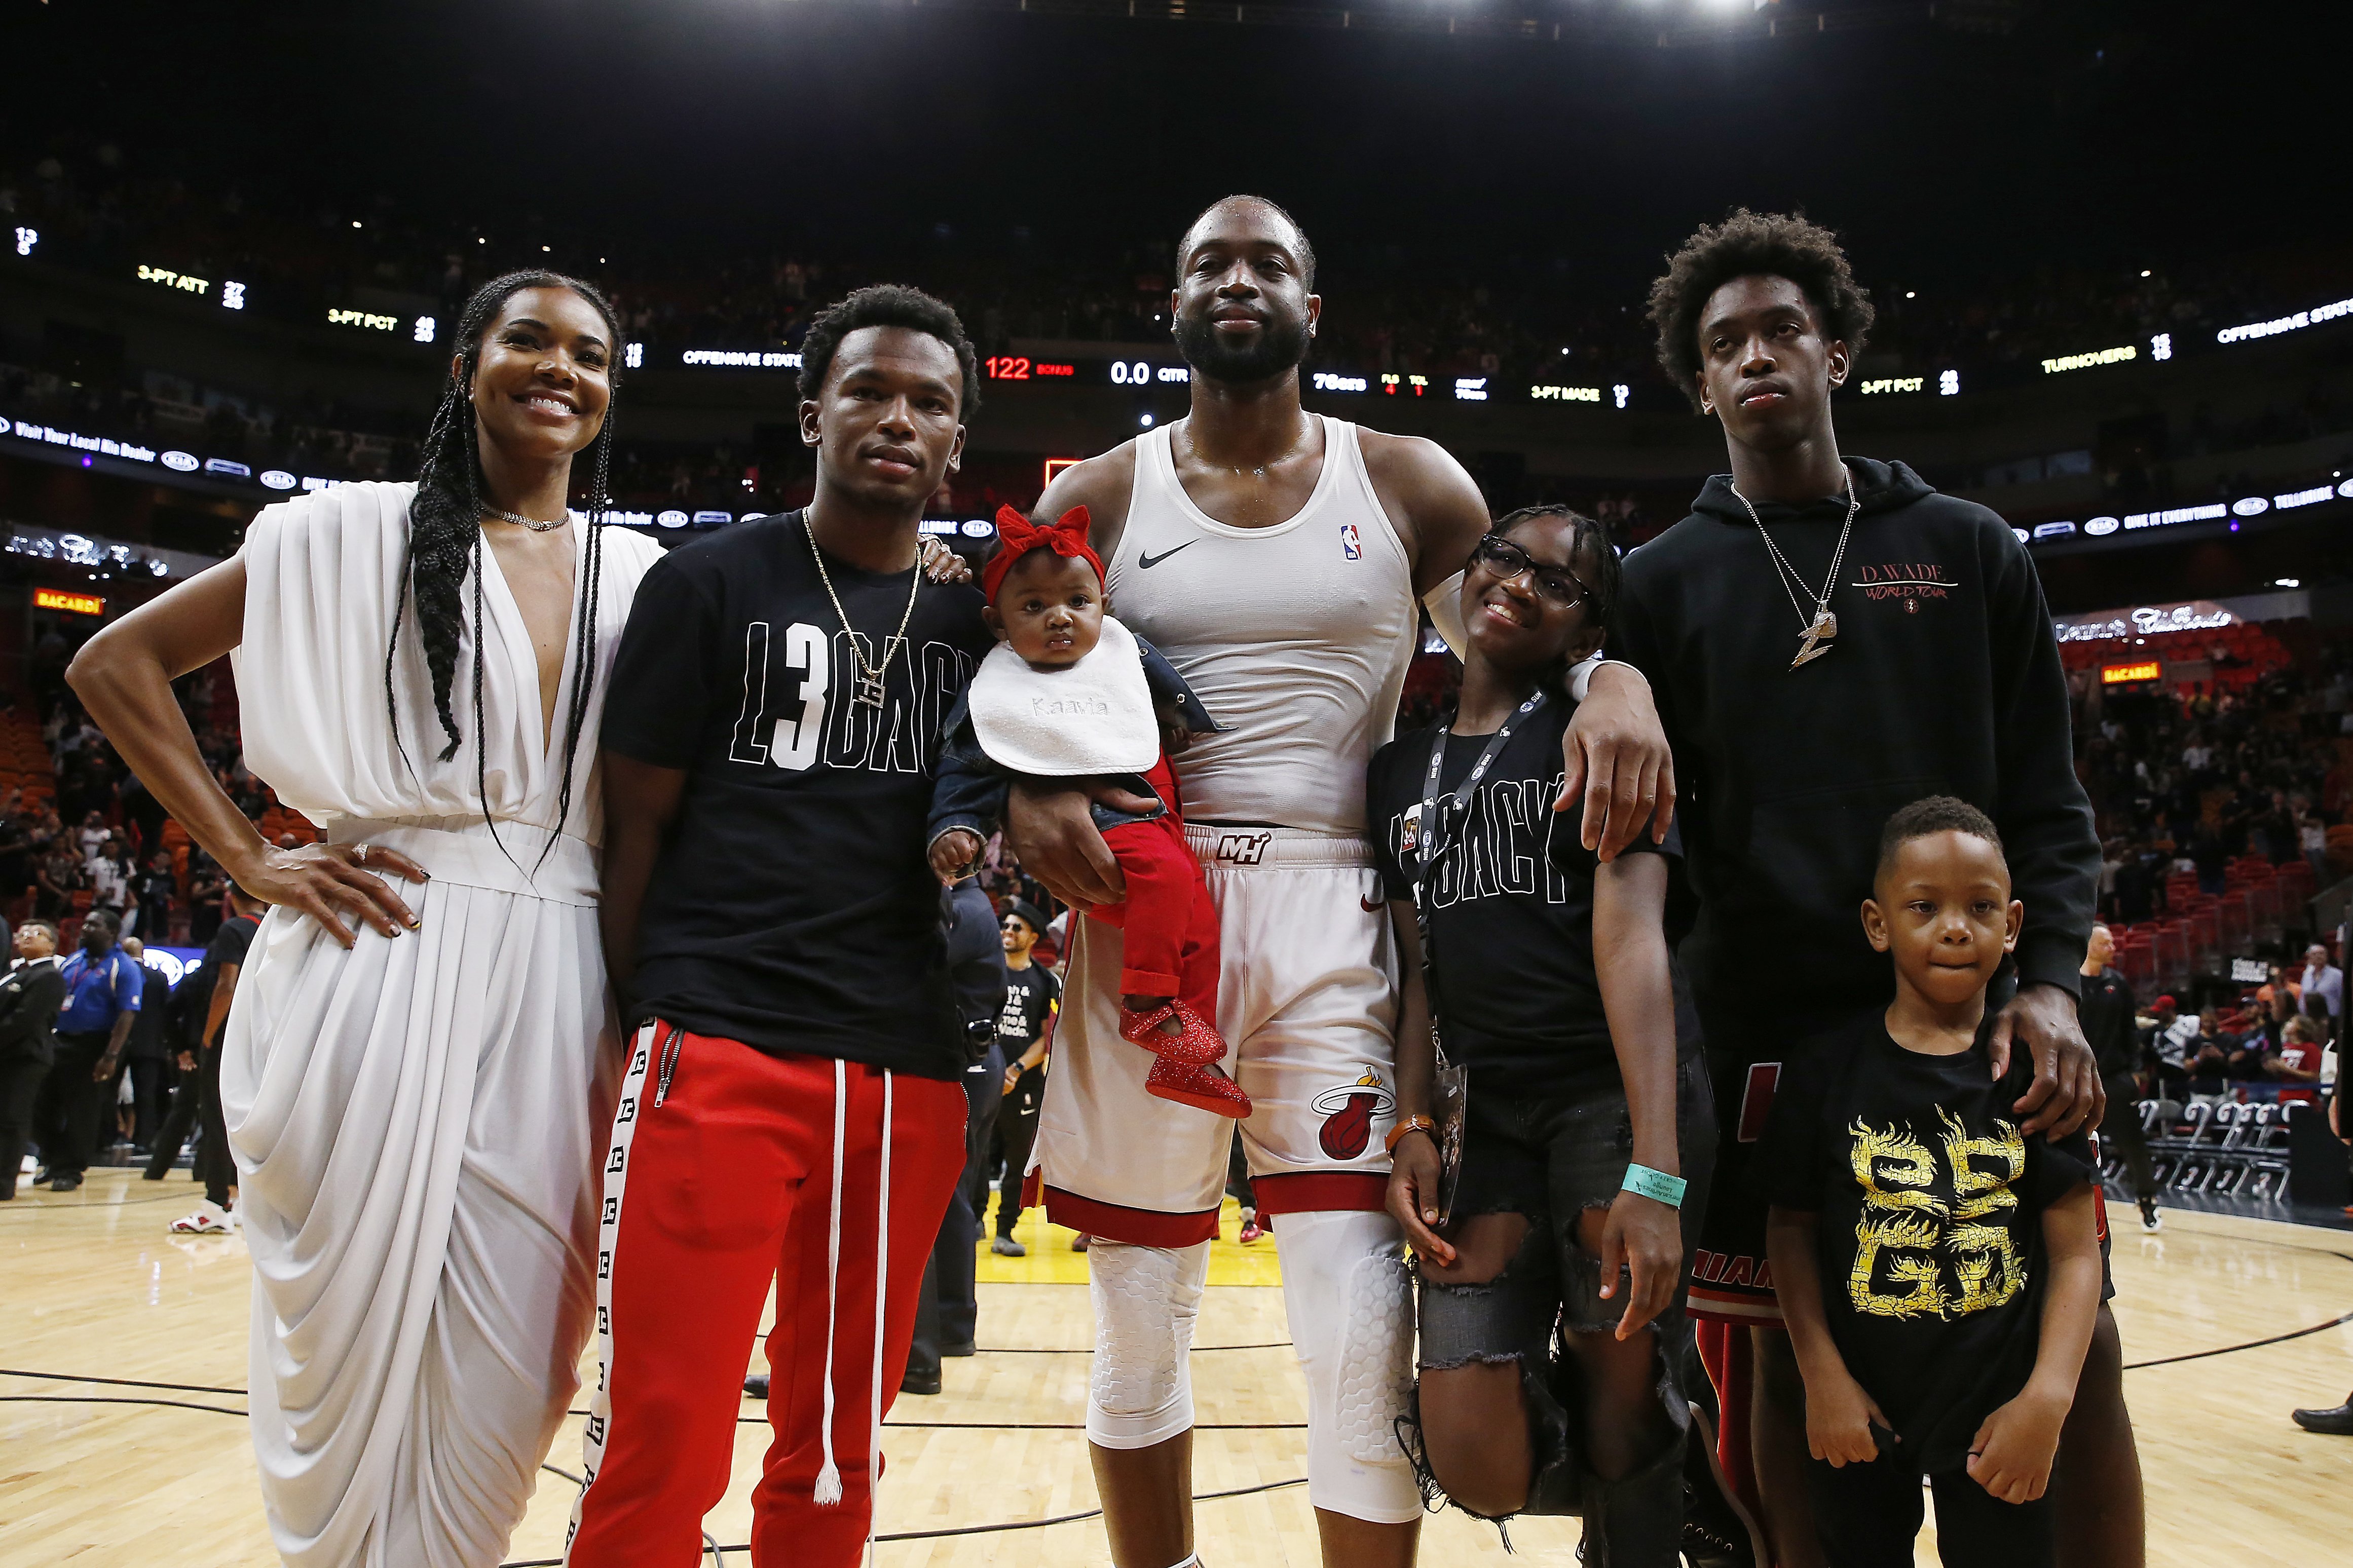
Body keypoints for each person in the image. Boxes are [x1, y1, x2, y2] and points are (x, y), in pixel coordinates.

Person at [66, 268, 662, 1568]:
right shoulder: (342, 533)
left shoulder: (645, 573)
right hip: (378, 946)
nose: (561, 367)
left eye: (590, 353)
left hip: (565, 972)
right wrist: (246, 857)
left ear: (611, 393)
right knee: (347, 1347)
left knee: (526, 1364)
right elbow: (112, 664)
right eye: (528, 340)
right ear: (465, 366)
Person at [1007, 195, 1552, 1568]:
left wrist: (1613, 691)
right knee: (1139, 1318)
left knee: (1355, 1325)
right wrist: (1027, 789)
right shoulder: (1099, 495)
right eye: (1209, 261)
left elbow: (1514, 673)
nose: (1237, 279)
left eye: (1268, 263)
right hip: (1147, 914)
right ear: (1172, 300)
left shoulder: (1414, 483)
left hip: (1333, 904)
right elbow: (1009, 697)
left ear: (1314, 306)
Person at [1608, 211, 2124, 1567]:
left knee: (2066, 1347)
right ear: (1699, 382)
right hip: (1765, 1045)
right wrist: (1595, 670)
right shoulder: (1655, 586)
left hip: (1970, 1025)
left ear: (1836, 350)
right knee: (1789, 1372)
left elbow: (2048, 803)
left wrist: (2055, 980)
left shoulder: (1964, 546)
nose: (1756, 355)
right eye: (1725, 343)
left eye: (1782, 328)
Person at [570, 284, 993, 1568]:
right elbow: (629, 829)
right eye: (870, 390)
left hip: (904, 1070)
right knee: (664, 1427)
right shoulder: (706, 581)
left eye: (930, 402)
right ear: (813, 413)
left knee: (832, 1453)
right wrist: (643, 1018)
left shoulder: (985, 625)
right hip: (718, 1042)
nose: (898, 419)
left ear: (956, 445)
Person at [1375, 506, 1719, 1563]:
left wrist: (1654, 1175)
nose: (1519, 582)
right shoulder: (1396, 768)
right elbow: (1417, 969)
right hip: (1484, 1110)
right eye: (1505, 556)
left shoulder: (1599, 738)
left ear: (1583, 631)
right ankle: (1680, 1444)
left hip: (1607, 1096)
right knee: (1471, 1447)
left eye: (1556, 581)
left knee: (1620, 1397)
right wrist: (1413, 1120)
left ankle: (1652, 1514)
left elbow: (1634, 947)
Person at [1766, 798, 2103, 1567]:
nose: (1955, 926)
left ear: (2012, 924)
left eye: (1980, 907)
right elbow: (1788, 1229)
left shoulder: (2035, 1075)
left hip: (1998, 1415)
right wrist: (1821, 1376)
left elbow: (2077, 1251)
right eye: (1924, 907)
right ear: (1876, 923)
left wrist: (2045, 1401)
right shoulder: (1824, 1067)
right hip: (1859, 1409)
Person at [928, 503, 1239, 1113]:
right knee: (1168, 878)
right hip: (1110, 829)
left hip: (1158, 817)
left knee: (1199, 925)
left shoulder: (1122, 654)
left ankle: (1187, 1051)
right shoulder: (998, 687)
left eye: (1077, 600)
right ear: (996, 623)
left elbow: (1162, 679)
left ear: (1105, 606)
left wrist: (1182, 721)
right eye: (1033, 607)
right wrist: (957, 824)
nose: (1060, 618)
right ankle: (1148, 1008)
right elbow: (966, 763)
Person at [166, 886, 265, 1234]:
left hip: (230, 1034)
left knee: (216, 1116)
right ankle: (243, 1201)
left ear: (231, 897)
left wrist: (208, 1036)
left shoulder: (234, 928)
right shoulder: (275, 927)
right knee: (249, 1121)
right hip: (266, 1035)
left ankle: (215, 1205)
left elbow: (227, 984)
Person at [27, 908, 141, 1192]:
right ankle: (53, 1160)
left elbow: (127, 1014)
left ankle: (71, 1169)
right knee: (40, 1105)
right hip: (60, 1040)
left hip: (96, 1044)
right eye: (86, 923)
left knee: (82, 1111)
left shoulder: (123, 966)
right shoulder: (72, 961)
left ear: (112, 933)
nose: (86, 928)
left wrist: (111, 1056)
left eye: (94, 925)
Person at [987, 898, 1060, 1255]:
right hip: (982, 1076)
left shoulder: (1045, 980)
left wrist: (1014, 1070)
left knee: (1018, 1161)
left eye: (1016, 927)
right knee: (972, 1155)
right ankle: (969, 1222)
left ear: (1032, 936)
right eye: (1005, 926)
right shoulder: (985, 971)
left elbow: (1047, 1037)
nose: (1007, 932)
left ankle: (1005, 1230)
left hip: (1023, 1082)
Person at [2079, 926, 2158, 1232]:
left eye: (2113, 942)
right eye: (2105, 942)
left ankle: (2148, 1203)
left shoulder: (2118, 983)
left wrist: (2136, 1073)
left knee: (2134, 1145)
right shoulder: (2069, 984)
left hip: (2114, 1078)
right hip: (2078, 1080)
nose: (2112, 947)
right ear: (2088, 945)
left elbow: (2130, 1032)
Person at [0, 920, 66, 1200]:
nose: (27, 936)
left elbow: (24, 1020)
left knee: (12, 1120)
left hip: (26, 1057)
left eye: (37, 933)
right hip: (8, 1055)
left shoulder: (48, 976)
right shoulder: (13, 973)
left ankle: (4, 1183)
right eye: (23, 932)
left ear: (51, 945)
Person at [115, 936, 174, 1154]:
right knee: (146, 1094)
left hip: (119, 1042)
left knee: (109, 1092)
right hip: (150, 1044)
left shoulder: (120, 973)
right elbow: (167, 1011)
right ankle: (144, 1140)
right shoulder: (158, 977)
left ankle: (106, 1138)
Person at [2298, 943, 2341, 1032]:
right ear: (2309, 957)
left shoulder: (2337, 975)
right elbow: (2303, 997)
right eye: (2314, 954)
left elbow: (2343, 999)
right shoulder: (2307, 975)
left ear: (2327, 956)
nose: (2318, 956)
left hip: (2331, 1021)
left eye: (2321, 954)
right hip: (2309, 1021)